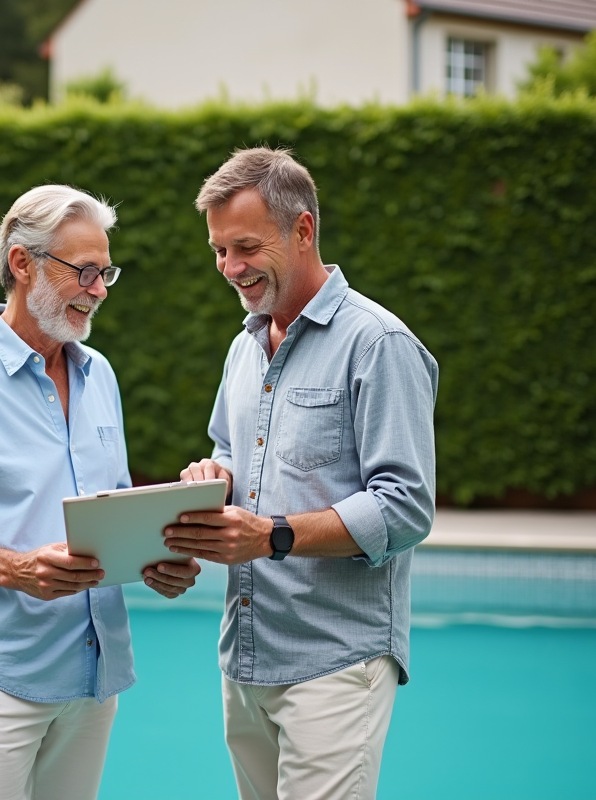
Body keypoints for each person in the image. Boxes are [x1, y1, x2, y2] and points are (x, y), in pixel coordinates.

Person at [0, 184, 201, 800]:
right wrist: (16, 568)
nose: (99, 288)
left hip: (92, 674)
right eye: (84, 270)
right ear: (23, 264)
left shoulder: (99, 374)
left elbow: (108, 507)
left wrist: (156, 559)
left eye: (105, 271)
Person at [167, 148, 438, 800]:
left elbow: (405, 507)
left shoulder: (378, 344)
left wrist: (272, 536)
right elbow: (231, 449)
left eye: (245, 247)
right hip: (245, 658)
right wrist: (214, 473)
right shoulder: (243, 346)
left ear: (304, 230)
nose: (230, 268)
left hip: (335, 663)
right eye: (218, 251)